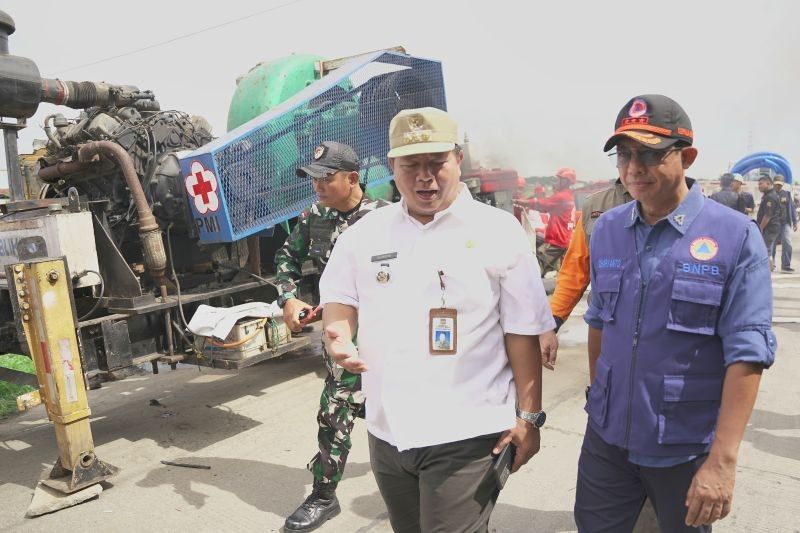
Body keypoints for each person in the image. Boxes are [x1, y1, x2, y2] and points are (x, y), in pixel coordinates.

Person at [318, 107, 554, 532]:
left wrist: (529, 417)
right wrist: (338, 336)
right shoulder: (365, 235)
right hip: (387, 432)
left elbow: (523, 332)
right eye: (411, 165)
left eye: (436, 163)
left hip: (467, 433)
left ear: (457, 159)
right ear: (392, 166)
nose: (424, 177)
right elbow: (339, 297)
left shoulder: (498, 232)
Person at [576, 94, 776, 532]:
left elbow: (747, 351)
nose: (634, 168)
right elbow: (598, 324)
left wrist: (722, 461)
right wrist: (601, 398)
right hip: (606, 445)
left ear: (686, 157)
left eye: (649, 153)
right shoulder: (608, 228)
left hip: (684, 448)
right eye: (624, 155)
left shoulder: (735, 237)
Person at [275, 141, 390, 532]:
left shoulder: (387, 220)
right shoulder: (316, 216)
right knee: (334, 413)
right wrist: (289, 299)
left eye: (327, 178)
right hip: (342, 340)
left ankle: (420, 483)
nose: (318, 186)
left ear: (353, 178)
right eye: (314, 179)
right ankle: (324, 495)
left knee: (395, 412)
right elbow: (287, 258)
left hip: (388, 342)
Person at [549, 178, 632, 332]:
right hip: (607, 323)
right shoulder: (596, 205)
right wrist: (553, 320)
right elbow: (576, 268)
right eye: (624, 155)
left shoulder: (683, 206)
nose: (634, 165)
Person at [513, 168, 577, 276]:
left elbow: (543, 204)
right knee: (549, 266)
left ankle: (537, 288)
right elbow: (544, 208)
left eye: (559, 180)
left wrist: (520, 202)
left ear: (565, 181)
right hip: (564, 238)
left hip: (557, 240)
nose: (556, 182)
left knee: (537, 262)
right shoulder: (568, 196)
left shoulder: (562, 197)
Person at [756, 176, 782, 271]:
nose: (759, 186)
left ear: (768, 183)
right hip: (771, 226)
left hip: (770, 227)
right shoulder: (768, 195)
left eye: (761, 184)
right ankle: (769, 266)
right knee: (767, 247)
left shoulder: (770, 197)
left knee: (766, 247)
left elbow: (767, 215)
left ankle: (768, 267)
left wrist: (760, 228)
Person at [772, 175, 797, 272]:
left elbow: (792, 209)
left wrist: (794, 222)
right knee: (772, 245)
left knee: (787, 242)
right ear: (774, 183)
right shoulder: (769, 195)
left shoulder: (787, 194)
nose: (778, 186)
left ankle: (786, 265)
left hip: (785, 223)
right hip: (773, 224)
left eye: (780, 185)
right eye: (776, 184)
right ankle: (771, 264)